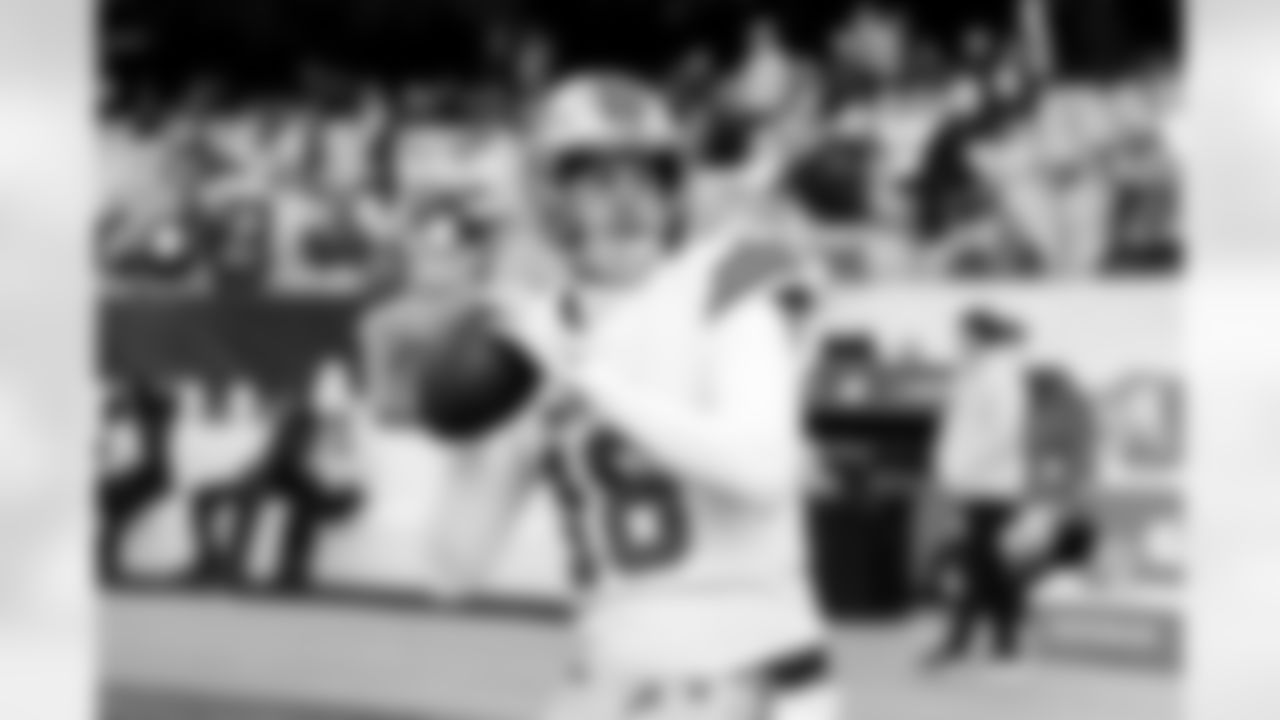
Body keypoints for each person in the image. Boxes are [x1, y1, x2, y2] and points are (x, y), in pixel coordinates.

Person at [428, 74, 837, 720]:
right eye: (596, 179)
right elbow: (455, 571)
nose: (626, 201)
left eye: (647, 176)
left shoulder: (727, 280)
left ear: (675, 191)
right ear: (549, 196)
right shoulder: (537, 337)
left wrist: (587, 376)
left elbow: (762, 467)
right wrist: (469, 435)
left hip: (750, 685)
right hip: (607, 684)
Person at [927, 307, 1034, 667]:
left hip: (991, 487)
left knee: (979, 565)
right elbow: (961, 428)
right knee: (983, 565)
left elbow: (1005, 432)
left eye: (962, 335)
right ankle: (1001, 639)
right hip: (975, 485)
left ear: (978, 336)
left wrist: (963, 470)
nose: (957, 341)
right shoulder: (977, 371)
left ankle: (963, 641)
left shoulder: (1000, 373)